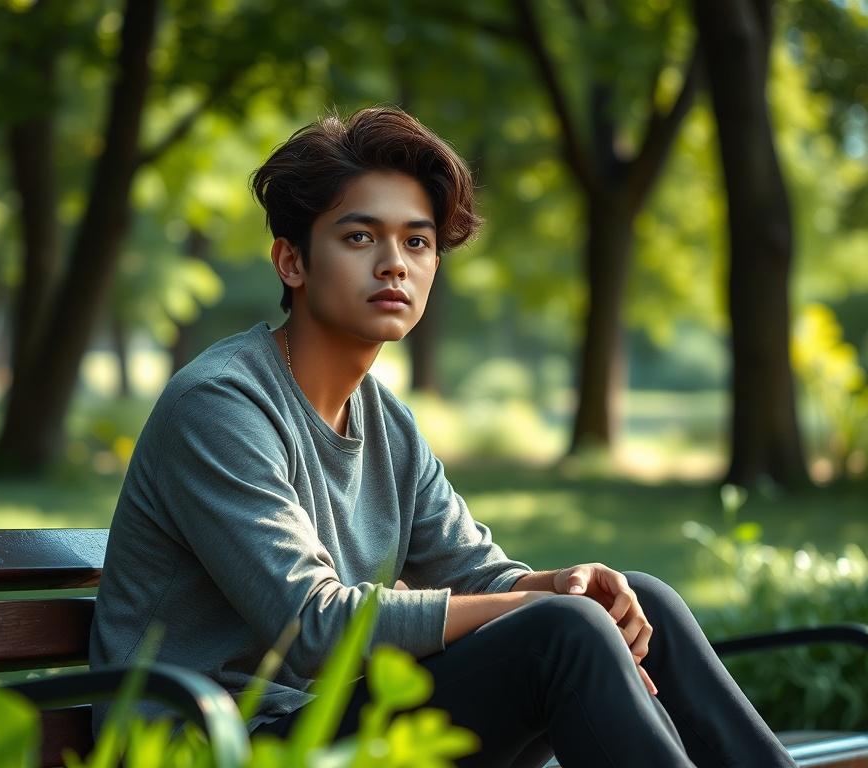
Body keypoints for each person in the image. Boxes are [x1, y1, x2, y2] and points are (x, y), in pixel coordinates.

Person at [89, 107, 797, 767]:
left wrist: (556, 584)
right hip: (209, 743)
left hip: (318, 727)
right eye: (359, 237)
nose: (394, 263)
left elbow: (477, 574)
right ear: (292, 262)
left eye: (417, 241)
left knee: (637, 601)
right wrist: (544, 608)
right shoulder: (220, 405)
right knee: (566, 632)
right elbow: (312, 626)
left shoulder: (386, 423)